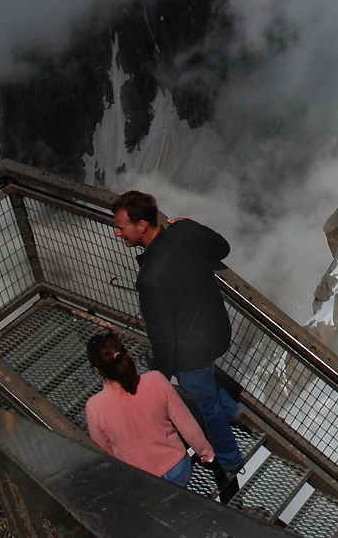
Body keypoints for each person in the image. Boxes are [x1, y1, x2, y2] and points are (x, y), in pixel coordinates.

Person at [112, 190, 245, 492]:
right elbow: (221, 248)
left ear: (143, 225)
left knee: (205, 405)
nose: (117, 232)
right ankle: (233, 411)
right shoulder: (183, 232)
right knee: (206, 388)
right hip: (217, 330)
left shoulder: (150, 279)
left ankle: (229, 458)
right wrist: (190, 225)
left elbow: (163, 336)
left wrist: (160, 375)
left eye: (122, 227)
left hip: (193, 350)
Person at [84, 332, 214, 487]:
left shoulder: (94, 407)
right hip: (178, 468)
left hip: (140, 481)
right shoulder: (156, 379)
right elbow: (186, 423)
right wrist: (205, 452)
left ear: (97, 370)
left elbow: (105, 452)